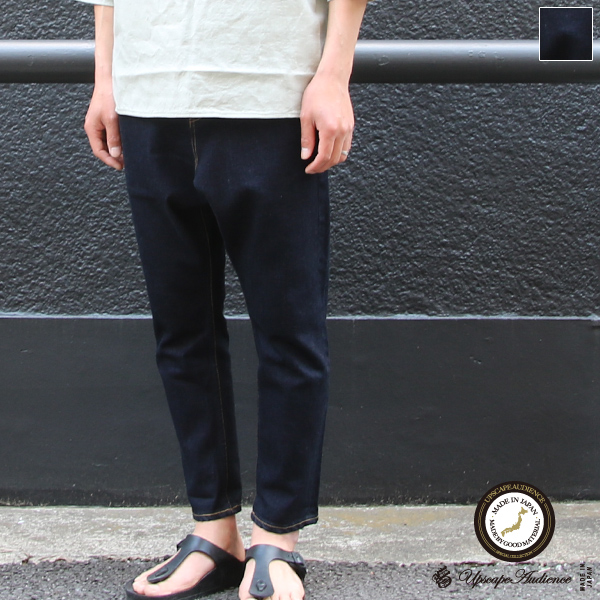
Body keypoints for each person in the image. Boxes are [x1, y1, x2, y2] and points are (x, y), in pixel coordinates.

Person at [78, 0, 369, 598]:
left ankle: (277, 538)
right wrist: (105, 78)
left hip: (271, 95)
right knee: (181, 332)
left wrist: (334, 74)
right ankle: (214, 532)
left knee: (289, 331)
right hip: (147, 93)